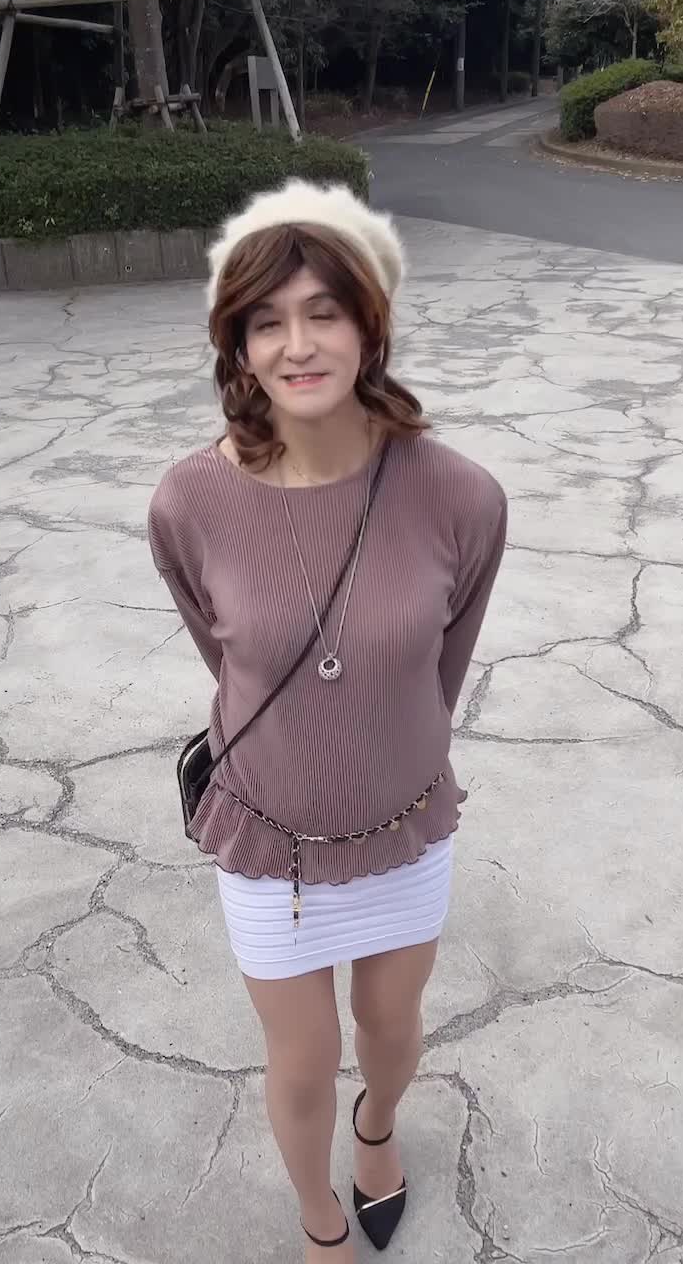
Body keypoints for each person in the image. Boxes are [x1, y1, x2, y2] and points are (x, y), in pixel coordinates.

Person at [147, 179, 507, 1262]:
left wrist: (378, 734)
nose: (297, 344)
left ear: (369, 324)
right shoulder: (187, 503)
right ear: (238, 345)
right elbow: (227, 657)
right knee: (299, 1057)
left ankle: (379, 1128)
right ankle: (318, 1218)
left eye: (324, 312)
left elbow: (441, 670)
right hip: (270, 835)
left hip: (402, 821)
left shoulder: (461, 495)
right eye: (266, 321)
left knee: (390, 1033)